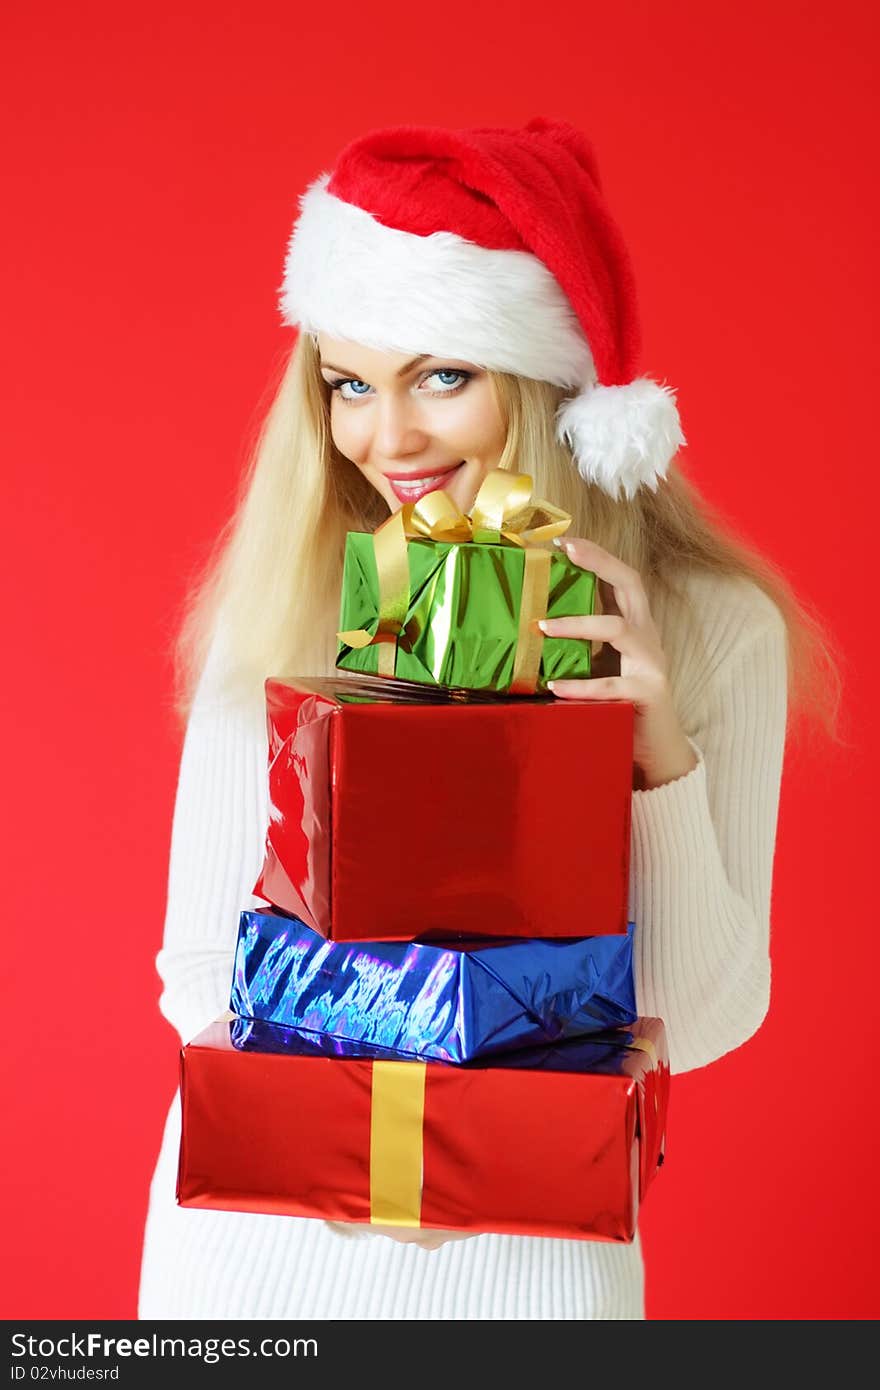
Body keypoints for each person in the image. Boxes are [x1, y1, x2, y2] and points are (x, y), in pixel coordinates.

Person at [137, 118, 837, 1319]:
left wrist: (651, 753)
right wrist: (403, 1139)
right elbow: (203, 964)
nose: (385, 439)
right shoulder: (290, 590)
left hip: (536, 1271)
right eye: (349, 383)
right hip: (258, 1258)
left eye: (442, 375)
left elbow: (701, 1017)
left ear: (552, 384)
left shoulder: (716, 628)